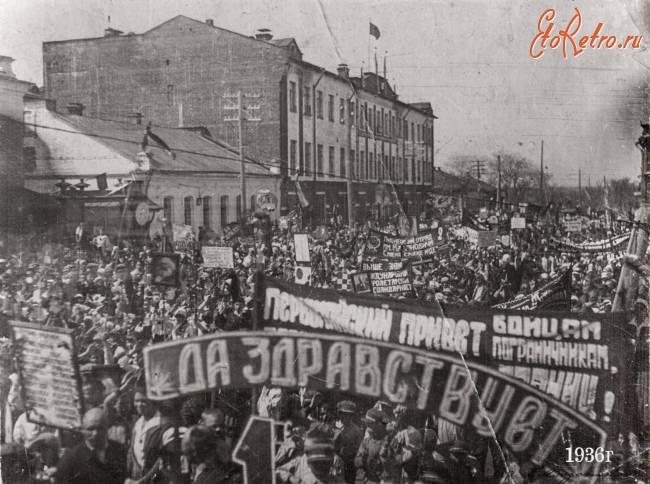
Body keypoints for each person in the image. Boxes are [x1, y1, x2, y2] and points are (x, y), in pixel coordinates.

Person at [55, 407, 126, 484]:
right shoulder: (70, 460)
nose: (95, 433)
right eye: (90, 429)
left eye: (100, 428)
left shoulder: (119, 451)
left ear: (107, 427)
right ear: (83, 430)